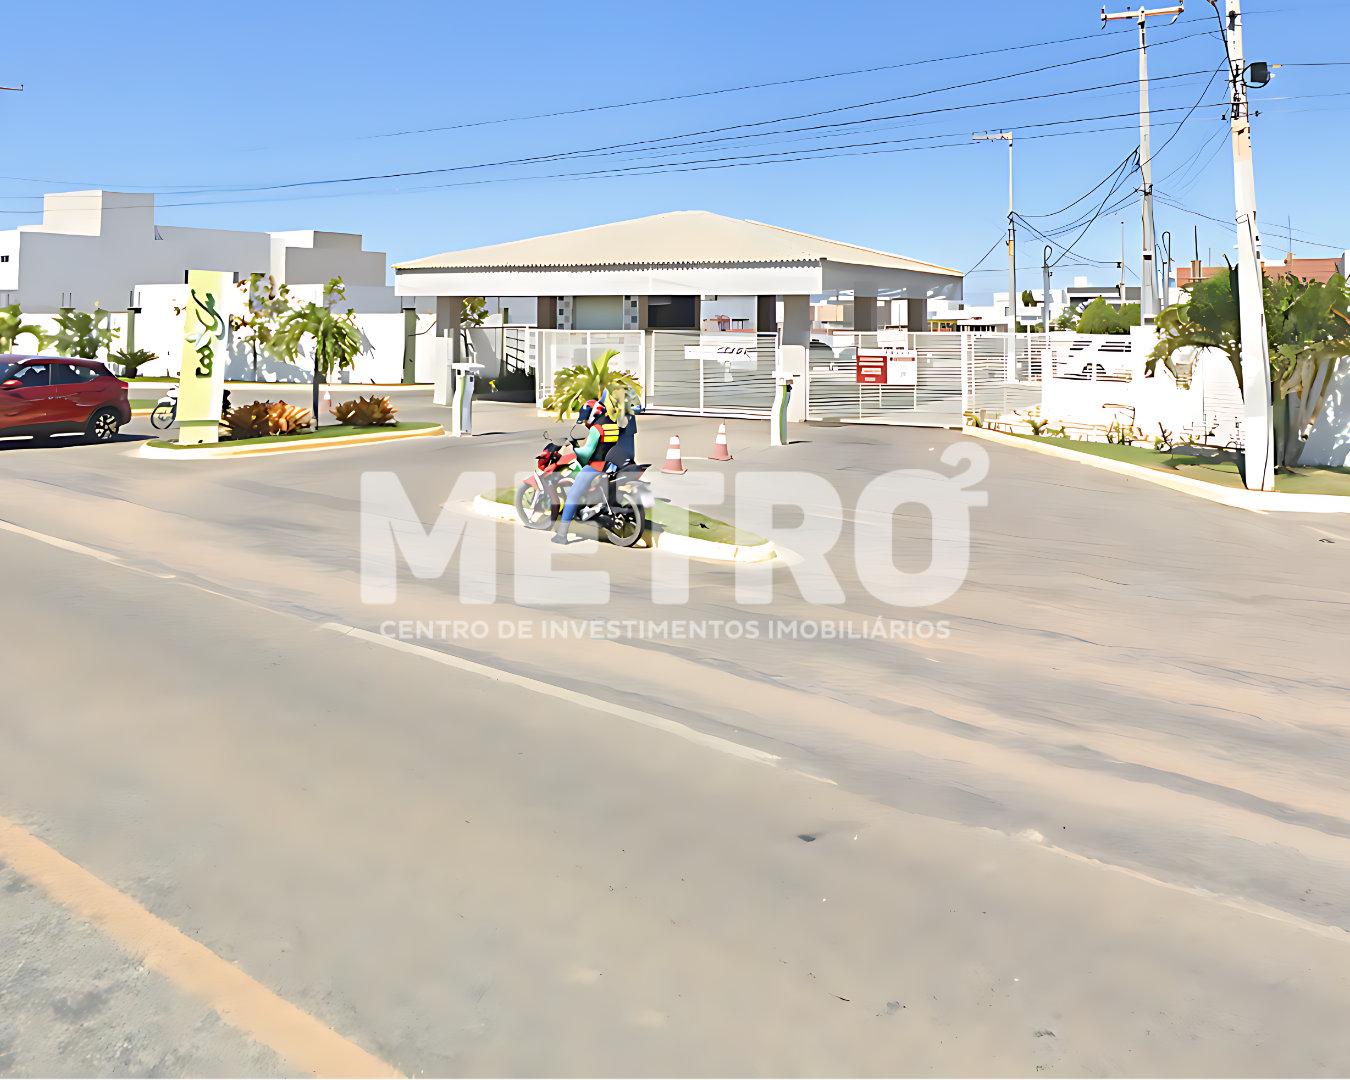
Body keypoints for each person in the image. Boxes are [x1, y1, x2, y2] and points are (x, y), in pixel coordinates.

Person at [552, 391, 638, 544]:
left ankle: (561, 535)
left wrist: (575, 450)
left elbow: (587, 453)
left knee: (573, 495)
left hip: (597, 467)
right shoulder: (615, 425)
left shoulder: (597, 428)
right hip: (612, 466)